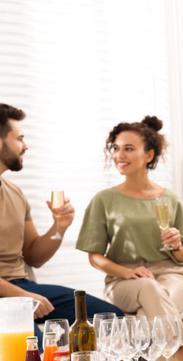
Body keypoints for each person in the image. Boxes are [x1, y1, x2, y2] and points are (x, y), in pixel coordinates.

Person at [76, 116, 183, 361]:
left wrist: (175, 245)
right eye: (116, 148)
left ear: (149, 155)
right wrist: (127, 272)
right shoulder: (104, 200)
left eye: (129, 148)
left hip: (171, 274)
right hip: (123, 281)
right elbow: (95, 256)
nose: (120, 154)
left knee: (149, 315)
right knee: (150, 292)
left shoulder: (170, 199)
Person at [0, 103, 121, 335]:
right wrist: (23, 297)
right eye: (20, 138)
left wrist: (59, 227)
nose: (26, 146)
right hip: (9, 294)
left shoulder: (15, 192)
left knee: (112, 320)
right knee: (32, 348)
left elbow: (34, 256)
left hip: (20, 287)